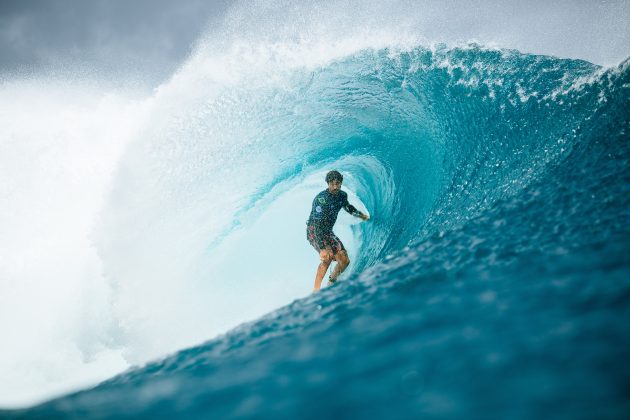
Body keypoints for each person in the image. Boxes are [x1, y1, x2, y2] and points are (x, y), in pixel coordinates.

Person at [306, 170, 369, 292]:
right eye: (332, 184)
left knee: (344, 260)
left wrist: (361, 216)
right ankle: (315, 290)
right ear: (328, 183)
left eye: (338, 183)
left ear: (341, 183)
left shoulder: (342, 195)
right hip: (314, 231)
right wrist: (323, 248)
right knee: (327, 258)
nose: (335, 187)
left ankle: (331, 282)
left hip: (327, 231)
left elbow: (347, 207)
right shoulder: (321, 200)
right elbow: (317, 224)